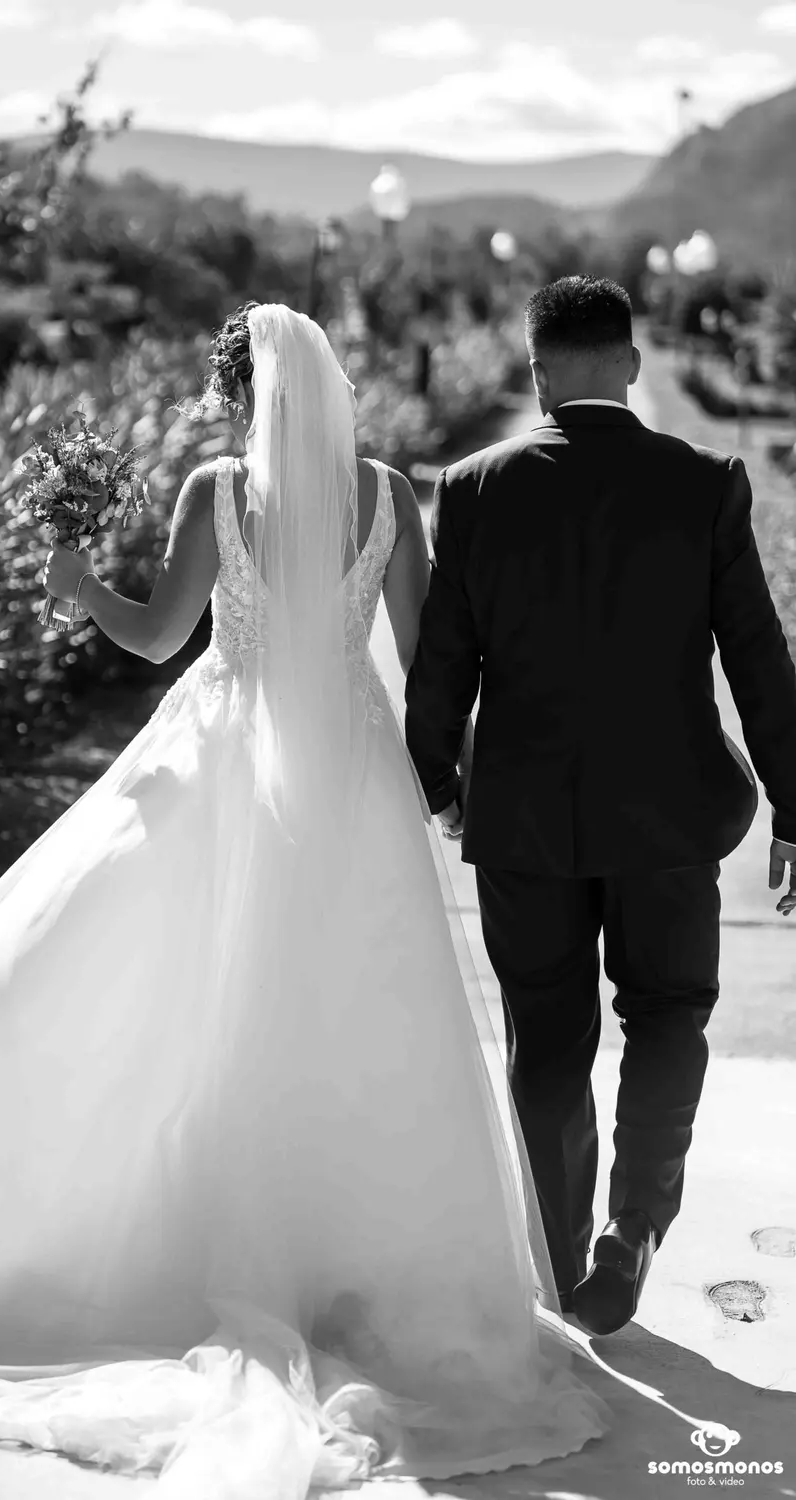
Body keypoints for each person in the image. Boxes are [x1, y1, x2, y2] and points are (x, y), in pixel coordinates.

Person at [0, 304, 607, 1493]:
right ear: (325, 388)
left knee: (157, 993)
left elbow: (156, 638)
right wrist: (445, 779)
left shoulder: (216, 493)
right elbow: (430, 658)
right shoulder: (388, 496)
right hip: (353, 782)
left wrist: (80, 584)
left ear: (239, 396)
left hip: (219, 763)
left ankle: (168, 1237)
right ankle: (342, 1263)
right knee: (357, 1015)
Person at [405, 275, 796, 1339]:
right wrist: (793, 806)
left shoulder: (473, 488)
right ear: (630, 362)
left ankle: (560, 1248)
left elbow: (443, 662)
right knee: (667, 1015)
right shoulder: (704, 482)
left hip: (523, 818)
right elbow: (757, 657)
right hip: (669, 816)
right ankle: (631, 1232)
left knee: (546, 1037)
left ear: (536, 373)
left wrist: (439, 786)